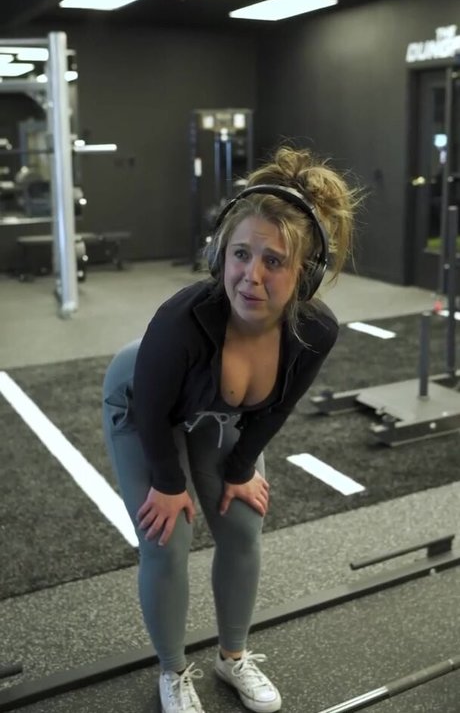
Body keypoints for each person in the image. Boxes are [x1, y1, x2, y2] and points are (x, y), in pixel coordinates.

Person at [102, 145, 360, 713]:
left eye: (275, 261)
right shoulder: (181, 320)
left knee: (243, 527)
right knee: (166, 538)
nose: (251, 276)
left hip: (219, 413)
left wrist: (240, 470)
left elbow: (275, 410)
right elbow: (152, 407)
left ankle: (233, 657)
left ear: (306, 274)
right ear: (220, 254)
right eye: (241, 254)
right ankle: (173, 672)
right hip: (143, 404)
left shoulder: (314, 331)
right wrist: (168, 483)